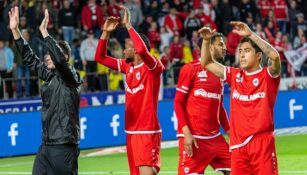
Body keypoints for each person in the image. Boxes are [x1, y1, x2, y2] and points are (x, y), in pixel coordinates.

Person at [199, 21, 281, 175]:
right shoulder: (235, 75)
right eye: (240, 50)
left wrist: (251, 35)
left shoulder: (267, 76)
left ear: (258, 56)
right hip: (238, 148)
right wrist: (205, 41)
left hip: (262, 144)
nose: (242, 54)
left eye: (247, 51)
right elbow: (207, 62)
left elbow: (275, 57)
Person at [9, 7, 82, 175]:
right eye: (47, 54)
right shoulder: (49, 77)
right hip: (46, 145)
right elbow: (30, 58)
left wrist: (44, 32)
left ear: (63, 58)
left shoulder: (71, 77)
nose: (47, 57)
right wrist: (15, 30)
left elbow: (60, 61)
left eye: (52, 54)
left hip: (63, 145)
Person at [94, 6, 164, 175]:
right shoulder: (128, 66)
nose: (123, 50)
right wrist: (105, 33)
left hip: (147, 131)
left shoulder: (153, 67)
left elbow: (142, 50)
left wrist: (128, 25)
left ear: (136, 49)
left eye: (127, 46)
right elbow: (100, 58)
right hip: (131, 131)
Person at [174, 32, 231, 175]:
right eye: (221, 44)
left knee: (239, 169)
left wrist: (230, 132)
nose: (225, 48)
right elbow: (178, 103)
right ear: (210, 47)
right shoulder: (190, 69)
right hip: (194, 138)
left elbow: (220, 106)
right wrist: (186, 133)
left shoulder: (220, 73)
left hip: (215, 138)